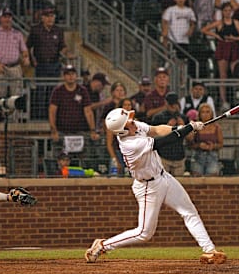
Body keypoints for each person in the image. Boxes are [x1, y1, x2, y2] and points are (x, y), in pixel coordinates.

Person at [84, 107, 226, 264]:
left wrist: (177, 128)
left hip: (163, 177)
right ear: (122, 130)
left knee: (189, 211)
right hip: (147, 187)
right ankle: (103, 245)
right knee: (144, 233)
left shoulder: (134, 128)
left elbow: (157, 130)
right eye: (128, 122)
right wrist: (188, 129)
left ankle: (210, 251)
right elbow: (163, 142)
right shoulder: (130, 144)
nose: (133, 121)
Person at [201, 2, 239, 109]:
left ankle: (237, 99)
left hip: (233, 47)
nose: (227, 13)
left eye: (229, 10)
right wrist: (216, 35)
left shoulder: (236, 22)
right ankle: (224, 101)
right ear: (222, 12)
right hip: (223, 47)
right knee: (223, 76)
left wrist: (233, 38)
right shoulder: (219, 23)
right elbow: (204, 30)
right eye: (225, 10)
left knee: (236, 73)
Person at [48, 64, 98, 156]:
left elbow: (88, 111)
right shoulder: (58, 91)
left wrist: (92, 130)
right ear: (64, 76)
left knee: (82, 159)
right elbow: (52, 111)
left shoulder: (82, 90)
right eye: (68, 74)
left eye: (72, 74)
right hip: (62, 132)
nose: (70, 76)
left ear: (76, 75)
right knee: (61, 158)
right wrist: (53, 130)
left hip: (80, 132)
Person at [0, 7, 29, 100]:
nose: (7, 19)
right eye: (5, 16)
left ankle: (15, 115)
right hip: (0, 67)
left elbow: (24, 50)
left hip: (15, 68)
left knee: (17, 98)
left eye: (9, 17)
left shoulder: (18, 34)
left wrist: (26, 57)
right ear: (0, 18)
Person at [151, 92, 189, 177]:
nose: (173, 106)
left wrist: (185, 127)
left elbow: (190, 138)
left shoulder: (183, 118)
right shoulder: (158, 117)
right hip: (163, 157)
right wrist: (168, 128)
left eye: (175, 104)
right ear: (166, 103)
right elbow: (153, 137)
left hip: (179, 157)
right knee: (162, 184)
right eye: (171, 104)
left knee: (178, 185)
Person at [188, 103, 223, 177]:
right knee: (196, 181)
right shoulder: (196, 126)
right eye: (203, 112)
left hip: (212, 156)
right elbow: (190, 143)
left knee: (212, 181)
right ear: (199, 114)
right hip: (197, 156)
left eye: (207, 112)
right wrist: (199, 145)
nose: (205, 114)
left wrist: (212, 146)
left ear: (211, 114)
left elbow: (221, 144)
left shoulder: (217, 127)